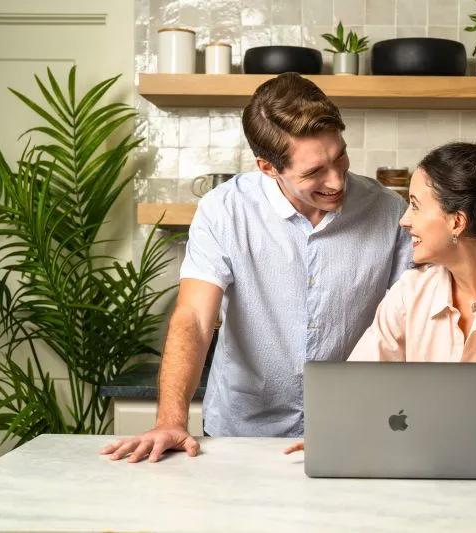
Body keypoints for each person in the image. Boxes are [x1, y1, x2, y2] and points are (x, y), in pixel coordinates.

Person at [101, 73, 411, 462]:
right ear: (268, 167)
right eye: (314, 172)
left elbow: (409, 325)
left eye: (340, 157)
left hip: (352, 431)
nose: (336, 181)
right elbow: (195, 317)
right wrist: (170, 420)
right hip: (241, 433)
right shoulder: (224, 210)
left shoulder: (389, 212)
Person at [285, 142, 476, 454]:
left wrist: (370, 431)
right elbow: (359, 387)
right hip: (433, 468)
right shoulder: (411, 290)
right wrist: (334, 428)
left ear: (456, 222)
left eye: (415, 205)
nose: (404, 220)